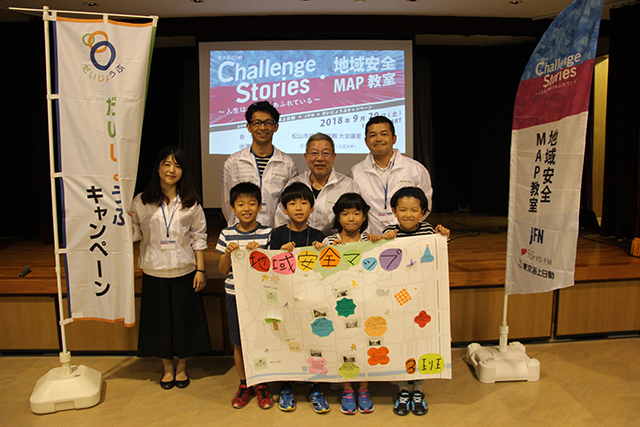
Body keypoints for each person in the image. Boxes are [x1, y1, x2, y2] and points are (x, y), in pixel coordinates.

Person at [131, 145, 211, 390]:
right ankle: (167, 369)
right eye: (166, 164)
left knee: (184, 322)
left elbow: (199, 237)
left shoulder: (190, 202)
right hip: (154, 271)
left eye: (177, 165)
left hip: (184, 271)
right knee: (160, 324)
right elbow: (134, 233)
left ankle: (182, 368)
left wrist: (200, 270)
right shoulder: (141, 201)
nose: (171, 170)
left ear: (183, 171)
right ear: (157, 168)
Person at [381, 186, 450, 416]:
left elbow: (440, 253)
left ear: (423, 212)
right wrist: (382, 241)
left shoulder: (429, 230)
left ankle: (418, 390)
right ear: (394, 211)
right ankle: (402, 389)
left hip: (423, 298)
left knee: (422, 341)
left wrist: (444, 238)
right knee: (400, 340)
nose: (408, 215)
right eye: (402, 210)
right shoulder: (389, 231)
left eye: (414, 210)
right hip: (398, 298)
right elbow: (381, 260)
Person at [321, 193, 383, 414]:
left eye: (356, 213)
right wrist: (329, 252)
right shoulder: (329, 242)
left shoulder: (370, 240)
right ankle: (347, 388)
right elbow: (322, 272)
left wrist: (380, 243)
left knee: (366, 342)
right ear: (338, 217)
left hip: (366, 302)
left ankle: (363, 389)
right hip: (340, 305)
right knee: (343, 343)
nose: (351, 218)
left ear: (364, 216)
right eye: (345, 213)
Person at [268, 182, 327, 413]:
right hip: (286, 299)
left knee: (314, 341)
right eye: (292, 203)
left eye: (304, 203)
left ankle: (316, 386)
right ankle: (287, 385)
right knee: (288, 340)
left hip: (313, 298)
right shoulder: (277, 234)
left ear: (312, 208)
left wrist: (322, 251)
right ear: (284, 209)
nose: (299, 208)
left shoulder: (319, 236)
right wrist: (280, 253)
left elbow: (326, 270)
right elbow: (270, 271)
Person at [217, 182, 274, 409]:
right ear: (232, 208)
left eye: (252, 203)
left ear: (260, 206)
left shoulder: (268, 233)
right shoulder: (226, 233)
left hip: (260, 296)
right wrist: (227, 254)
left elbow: (272, 270)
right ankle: (244, 384)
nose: (246, 208)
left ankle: (261, 383)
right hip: (234, 295)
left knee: (261, 339)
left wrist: (260, 254)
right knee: (239, 341)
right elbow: (223, 271)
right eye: (240, 204)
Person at [348, 115, 433, 235]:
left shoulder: (416, 169)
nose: (378, 139)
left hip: (406, 236)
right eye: (373, 135)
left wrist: (407, 228)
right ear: (366, 141)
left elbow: (425, 205)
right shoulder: (356, 172)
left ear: (394, 138)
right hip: (371, 238)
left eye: (384, 134)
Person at [221, 100, 298, 228]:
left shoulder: (288, 164)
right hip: (242, 231)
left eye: (268, 122)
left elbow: (290, 202)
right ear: (249, 127)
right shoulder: (233, 162)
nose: (262, 128)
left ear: (276, 127)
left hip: (276, 232)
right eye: (257, 123)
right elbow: (227, 203)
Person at [275, 133, 359, 236]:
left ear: (333, 157)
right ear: (306, 157)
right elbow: (281, 220)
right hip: (296, 243)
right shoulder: (294, 184)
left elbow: (356, 221)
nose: (319, 158)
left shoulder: (348, 186)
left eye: (325, 153)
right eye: (314, 153)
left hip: (335, 244)